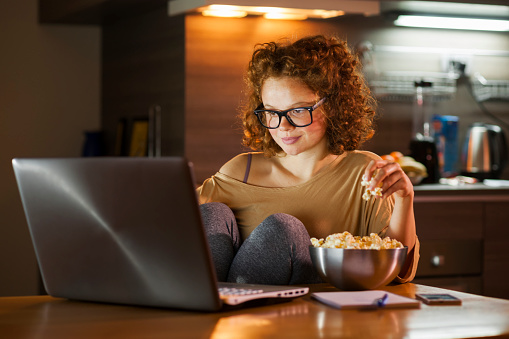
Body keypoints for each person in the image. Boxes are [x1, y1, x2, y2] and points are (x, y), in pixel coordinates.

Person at [197, 35, 419, 285]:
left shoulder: (365, 174)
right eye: (271, 112)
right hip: (217, 304)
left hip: (311, 316)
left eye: (298, 110)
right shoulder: (240, 171)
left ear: (333, 106)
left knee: (283, 228)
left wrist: (404, 199)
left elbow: (397, 273)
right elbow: (173, 222)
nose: (283, 126)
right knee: (210, 214)